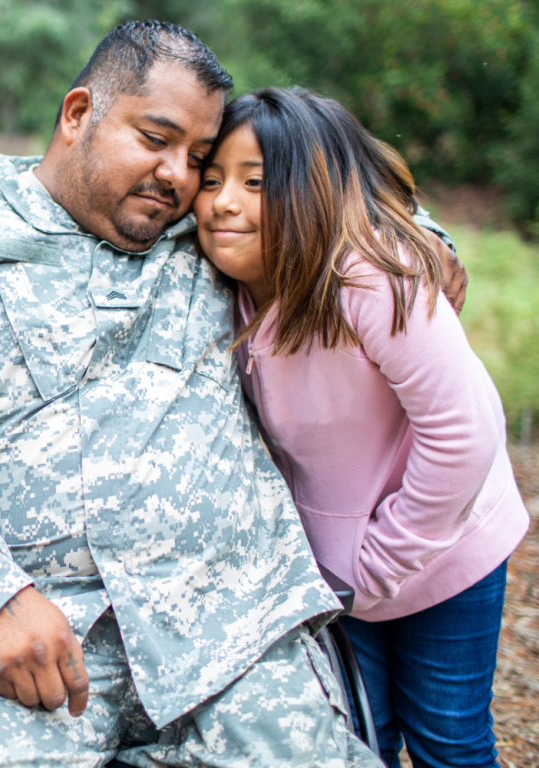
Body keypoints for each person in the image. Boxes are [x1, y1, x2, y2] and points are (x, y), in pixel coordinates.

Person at [0, 22, 388, 768]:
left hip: (234, 635)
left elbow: (327, 202)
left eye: (198, 159)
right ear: (78, 113)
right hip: (22, 636)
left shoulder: (216, 234)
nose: (178, 176)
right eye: (155, 139)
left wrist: (421, 241)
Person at [193, 86, 529, 768]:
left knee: (448, 738)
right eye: (212, 180)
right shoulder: (223, 285)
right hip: (339, 574)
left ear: (313, 192)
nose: (224, 201)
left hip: (443, 545)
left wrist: (378, 565)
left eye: (255, 182)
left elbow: (463, 434)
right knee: (359, 739)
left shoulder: (373, 278)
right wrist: (346, 575)